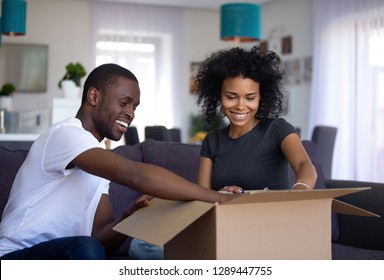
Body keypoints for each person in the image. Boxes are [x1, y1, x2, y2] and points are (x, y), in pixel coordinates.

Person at [0, 63, 235, 260]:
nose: (131, 113)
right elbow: (137, 175)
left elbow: (102, 239)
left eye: (134, 107)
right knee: (85, 248)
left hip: (60, 258)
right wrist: (216, 196)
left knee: (90, 247)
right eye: (124, 103)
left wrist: (129, 218)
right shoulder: (65, 135)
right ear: (93, 96)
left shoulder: (95, 159)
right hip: (15, 257)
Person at [194, 46, 317, 192]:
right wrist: (221, 195)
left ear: (260, 97)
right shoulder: (212, 141)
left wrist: (301, 188)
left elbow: (305, 165)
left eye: (250, 98)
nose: (240, 106)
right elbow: (202, 195)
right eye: (231, 97)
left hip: (274, 213)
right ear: (218, 96)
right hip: (228, 214)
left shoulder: (277, 129)